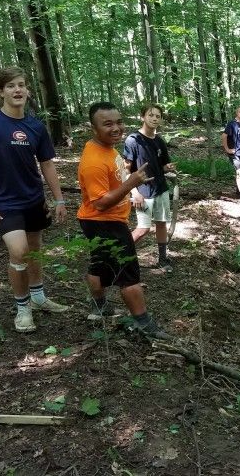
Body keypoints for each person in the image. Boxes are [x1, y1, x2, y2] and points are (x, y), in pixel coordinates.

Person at [0, 67, 70, 334]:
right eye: (11, 86)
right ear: (0, 92)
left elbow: (47, 164)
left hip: (34, 199)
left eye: (22, 85)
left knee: (35, 249)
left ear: (27, 90)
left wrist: (58, 200)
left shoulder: (36, 126)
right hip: (4, 202)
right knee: (19, 251)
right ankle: (22, 307)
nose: (18, 90)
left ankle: (38, 297)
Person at [77, 102, 165, 337]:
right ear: (93, 127)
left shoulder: (106, 148)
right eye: (108, 124)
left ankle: (98, 307)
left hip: (99, 220)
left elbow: (117, 178)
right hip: (104, 222)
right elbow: (101, 202)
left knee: (100, 264)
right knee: (129, 274)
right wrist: (132, 184)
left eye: (118, 122)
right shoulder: (93, 160)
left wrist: (130, 185)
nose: (116, 128)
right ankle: (144, 323)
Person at [124, 104, 177, 272]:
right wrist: (134, 192)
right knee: (143, 228)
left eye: (158, 116)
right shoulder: (133, 140)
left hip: (160, 188)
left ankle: (162, 258)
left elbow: (160, 167)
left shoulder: (159, 140)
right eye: (150, 115)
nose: (154, 118)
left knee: (162, 223)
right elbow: (126, 170)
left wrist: (166, 168)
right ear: (142, 117)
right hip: (142, 191)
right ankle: (119, 257)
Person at [222, 105, 240, 202]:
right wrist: (227, 149)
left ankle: (238, 191)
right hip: (233, 153)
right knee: (239, 171)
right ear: (237, 113)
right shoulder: (231, 124)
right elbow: (224, 136)